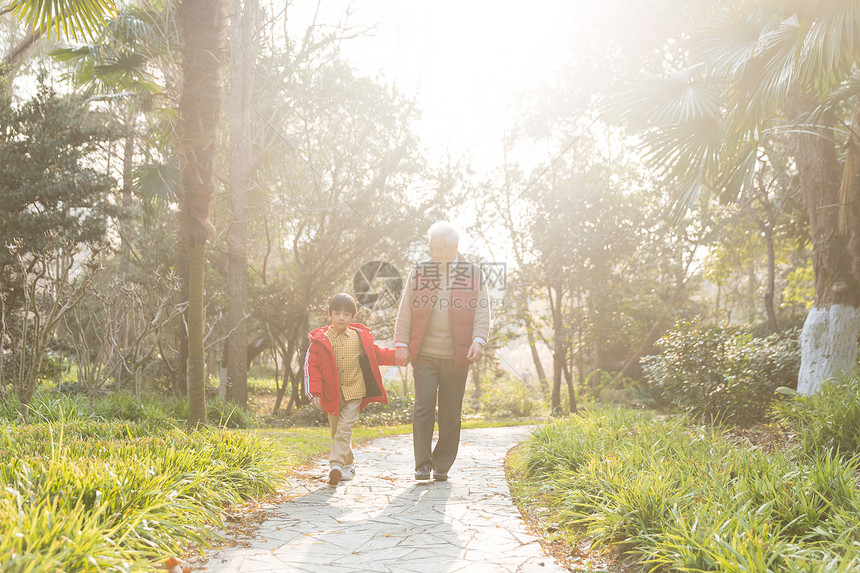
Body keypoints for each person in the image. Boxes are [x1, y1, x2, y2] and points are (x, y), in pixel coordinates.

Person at [394, 222, 491, 481]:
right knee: (423, 407)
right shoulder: (420, 272)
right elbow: (406, 311)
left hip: (456, 356)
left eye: (439, 250)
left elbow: (482, 312)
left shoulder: (473, 273)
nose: (434, 254)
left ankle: (442, 464)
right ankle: (422, 464)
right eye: (431, 249)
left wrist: (478, 340)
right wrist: (401, 344)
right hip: (424, 354)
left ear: (455, 247)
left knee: (450, 412)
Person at [305, 293, 396, 485]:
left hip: (355, 390)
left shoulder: (358, 337)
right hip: (332, 394)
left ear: (352, 317)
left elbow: (377, 354)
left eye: (346, 314)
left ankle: (335, 465)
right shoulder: (320, 340)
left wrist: (399, 357)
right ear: (330, 314)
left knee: (344, 430)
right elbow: (312, 367)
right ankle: (349, 465)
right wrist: (314, 392)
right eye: (337, 313)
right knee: (336, 430)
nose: (341, 317)